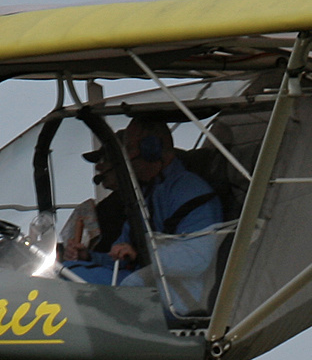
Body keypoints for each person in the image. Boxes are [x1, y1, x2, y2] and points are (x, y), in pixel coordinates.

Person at [64, 120, 223, 310]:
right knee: (66, 274)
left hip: (180, 296)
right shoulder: (145, 193)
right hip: (143, 284)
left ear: (152, 148)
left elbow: (198, 257)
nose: (124, 157)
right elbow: (121, 257)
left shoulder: (190, 190)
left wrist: (144, 253)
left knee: (69, 288)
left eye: (130, 148)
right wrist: (88, 256)